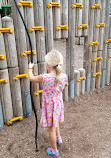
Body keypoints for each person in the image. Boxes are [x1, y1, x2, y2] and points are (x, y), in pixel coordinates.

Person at [28, 50, 67, 157]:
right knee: (56, 121)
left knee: (51, 129)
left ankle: (54, 151)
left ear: (49, 66)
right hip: (58, 104)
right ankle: (59, 138)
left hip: (49, 106)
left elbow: (31, 78)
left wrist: (30, 69)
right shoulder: (64, 76)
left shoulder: (44, 77)